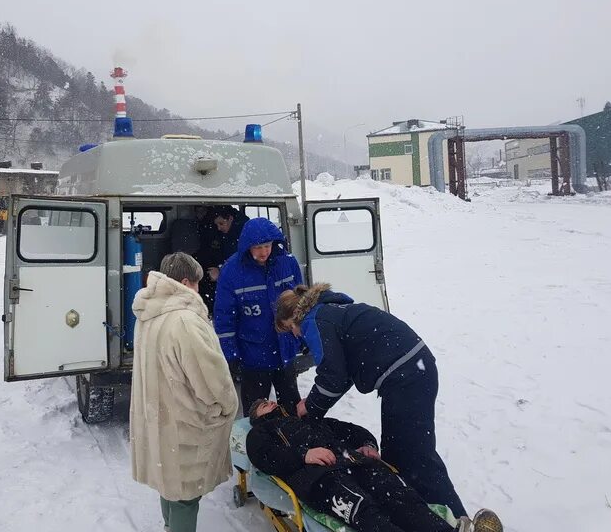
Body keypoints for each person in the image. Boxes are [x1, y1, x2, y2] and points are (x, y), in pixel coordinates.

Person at [274, 283, 467, 518]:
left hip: (405, 374)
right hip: (413, 366)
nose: (295, 335)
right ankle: (422, 515)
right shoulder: (331, 309)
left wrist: (311, 407)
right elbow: (342, 374)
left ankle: (457, 519)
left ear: (294, 318)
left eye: (289, 329)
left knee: (414, 456)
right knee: (400, 452)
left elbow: (332, 377)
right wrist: (315, 400)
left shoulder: (314, 321)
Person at [246, 399, 503, 532]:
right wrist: (304, 454)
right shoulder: (261, 432)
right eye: (261, 405)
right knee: (365, 510)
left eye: (268, 401)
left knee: (399, 497)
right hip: (316, 477)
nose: (268, 403)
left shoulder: (309, 420)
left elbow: (354, 431)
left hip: (354, 462)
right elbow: (263, 457)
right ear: (256, 417)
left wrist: (368, 444)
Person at [130, 252, 239, 532]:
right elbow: (210, 379)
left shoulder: (149, 313)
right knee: (186, 497)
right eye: (198, 284)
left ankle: (169, 526)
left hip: (161, 417)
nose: (200, 290)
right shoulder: (186, 321)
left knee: (169, 485)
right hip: (184, 422)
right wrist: (227, 405)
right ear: (187, 282)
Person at [214, 217, 303, 415]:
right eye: (258, 247)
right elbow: (224, 317)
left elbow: (301, 302)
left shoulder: (288, 263)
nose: (264, 252)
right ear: (247, 247)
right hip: (253, 356)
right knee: (256, 414)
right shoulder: (232, 271)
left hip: (284, 352)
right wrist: (230, 355)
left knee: (292, 410)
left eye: (267, 245)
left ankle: (295, 443)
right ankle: (258, 444)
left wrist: (303, 334)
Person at [206, 206, 249, 282]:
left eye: (221, 223)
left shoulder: (245, 235)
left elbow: (244, 263)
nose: (219, 228)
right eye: (216, 225)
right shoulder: (220, 234)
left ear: (230, 219)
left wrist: (221, 271)